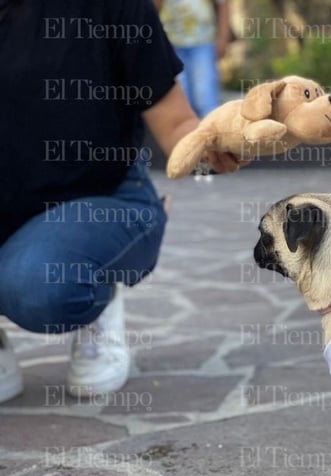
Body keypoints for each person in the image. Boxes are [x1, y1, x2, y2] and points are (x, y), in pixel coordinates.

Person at [0, 0, 242, 403]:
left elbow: (177, 124)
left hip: (102, 197)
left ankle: (99, 298)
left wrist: (222, 141)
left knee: (41, 283)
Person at [156, 0, 230, 118]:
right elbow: (153, 7)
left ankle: (213, 133)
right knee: (181, 100)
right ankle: (188, 135)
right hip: (171, 45)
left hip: (203, 42)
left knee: (205, 96)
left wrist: (223, 37)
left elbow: (222, 4)